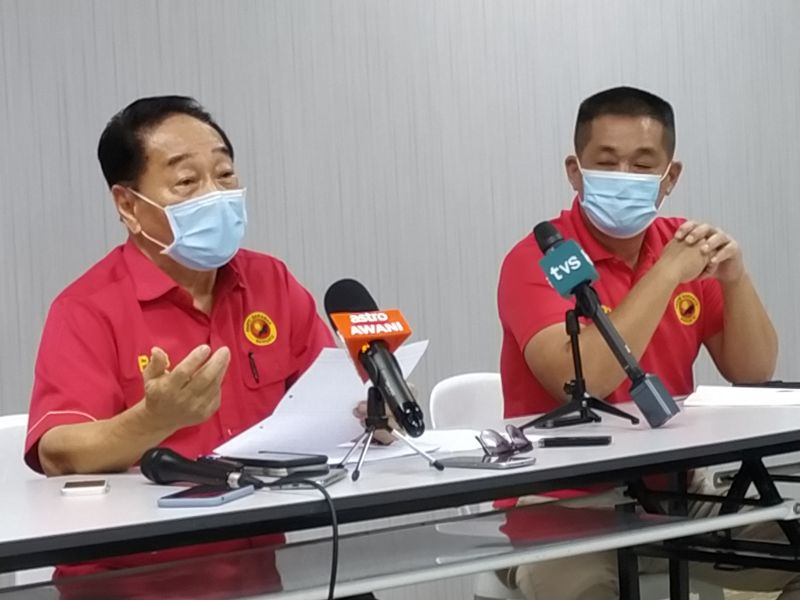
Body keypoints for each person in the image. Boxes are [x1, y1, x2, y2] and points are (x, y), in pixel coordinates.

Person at [24, 96, 375, 600]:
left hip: (261, 577)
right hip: (128, 587)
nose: (216, 194)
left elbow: (331, 396)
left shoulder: (269, 281)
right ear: (128, 204)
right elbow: (59, 451)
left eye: (225, 174)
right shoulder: (87, 308)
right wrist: (153, 420)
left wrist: (370, 411)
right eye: (187, 182)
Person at [497, 86, 798, 599]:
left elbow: (753, 371)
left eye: (642, 165)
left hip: (677, 494)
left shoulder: (683, 246)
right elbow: (584, 380)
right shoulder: (539, 259)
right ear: (575, 170)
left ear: (669, 177)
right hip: (561, 505)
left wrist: (735, 278)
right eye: (607, 163)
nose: (624, 178)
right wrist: (665, 274)